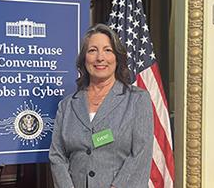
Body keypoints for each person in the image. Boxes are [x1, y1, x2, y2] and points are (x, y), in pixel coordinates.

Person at [49, 23, 154, 188]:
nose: (100, 58)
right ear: (84, 59)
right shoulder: (67, 105)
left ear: (117, 58)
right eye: (92, 50)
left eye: (107, 50)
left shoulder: (137, 100)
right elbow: (57, 155)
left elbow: (141, 154)